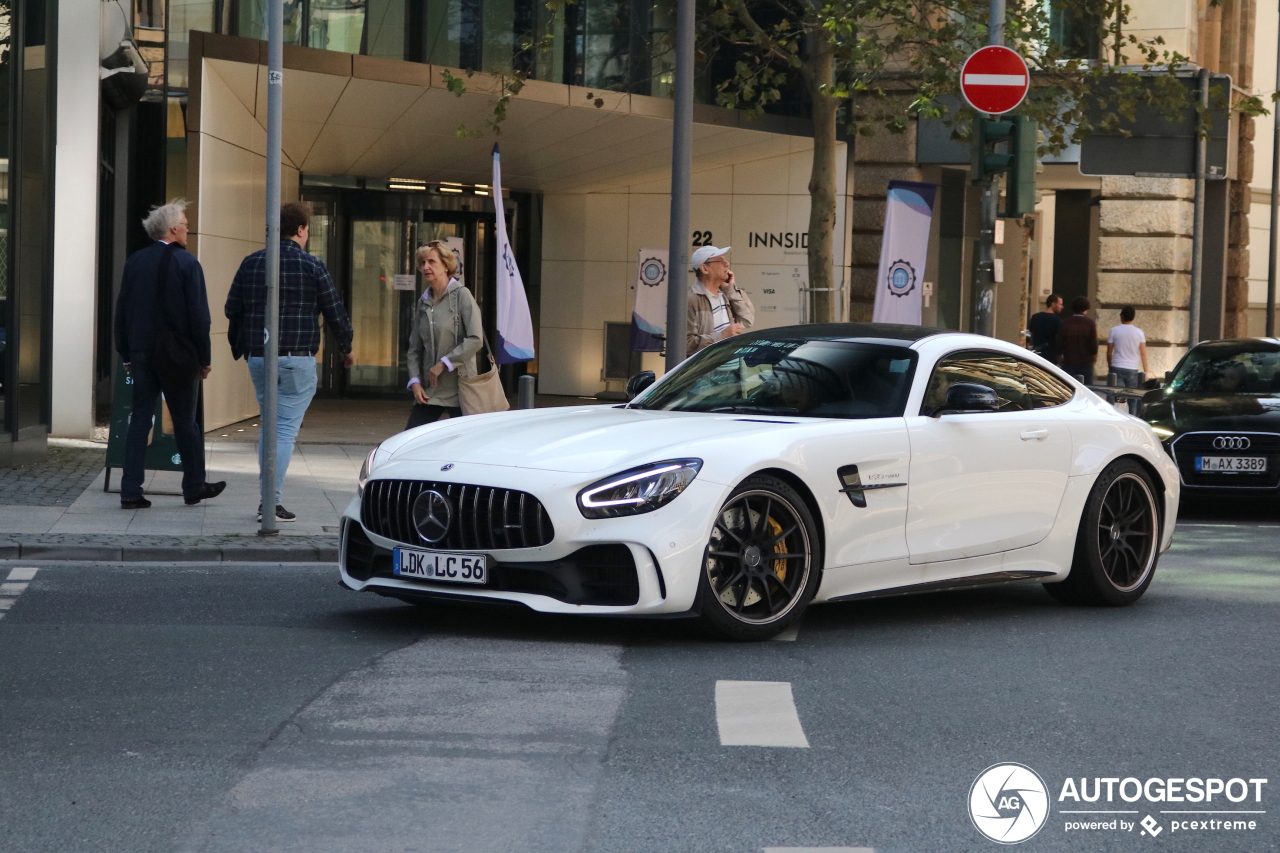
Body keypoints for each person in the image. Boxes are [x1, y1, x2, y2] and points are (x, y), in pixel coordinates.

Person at [225, 203, 354, 523]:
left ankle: (268, 499)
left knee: (270, 427)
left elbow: (232, 309)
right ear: (299, 230)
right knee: (283, 432)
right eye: (307, 230)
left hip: (259, 357)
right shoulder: (312, 265)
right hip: (297, 359)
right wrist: (346, 347)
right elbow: (334, 311)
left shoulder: (252, 263)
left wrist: (241, 346)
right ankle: (270, 502)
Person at [113, 200, 226, 510]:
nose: (188, 228)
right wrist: (204, 358)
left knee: (139, 419)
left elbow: (122, 310)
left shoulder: (135, 262)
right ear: (174, 229)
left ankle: (130, 490)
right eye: (186, 224)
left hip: (141, 353)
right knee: (185, 421)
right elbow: (199, 317)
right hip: (177, 355)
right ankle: (193, 486)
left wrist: (125, 352)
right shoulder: (187, 263)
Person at [405, 241, 482, 429]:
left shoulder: (462, 296)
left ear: (446, 266)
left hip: (461, 388)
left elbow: (476, 339)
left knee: (467, 445)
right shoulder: (423, 302)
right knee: (410, 440)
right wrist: (415, 382)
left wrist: (444, 363)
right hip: (431, 391)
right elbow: (414, 349)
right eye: (423, 263)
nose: (426, 267)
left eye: (432, 262)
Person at [687, 245, 754, 356]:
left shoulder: (725, 294)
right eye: (720, 261)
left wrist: (730, 290)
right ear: (704, 268)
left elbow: (747, 321)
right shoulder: (691, 300)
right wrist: (721, 336)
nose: (727, 264)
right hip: (705, 370)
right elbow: (686, 344)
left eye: (725, 260)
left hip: (730, 366)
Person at [1106, 305, 1149, 414]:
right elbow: (1143, 353)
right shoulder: (1139, 333)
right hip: (1132, 368)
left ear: (1122, 316)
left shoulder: (1114, 331)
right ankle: (1133, 418)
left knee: (1117, 398)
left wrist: (1110, 365)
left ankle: (1116, 419)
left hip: (1117, 366)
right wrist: (1146, 371)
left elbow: (1109, 352)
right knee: (1133, 399)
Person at [1058, 296, 1099, 385]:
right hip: (1086, 363)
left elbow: (1060, 343)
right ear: (1086, 308)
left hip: (1069, 362)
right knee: (1087, 390)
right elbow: (1093, 344)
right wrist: (1094, 358)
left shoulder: (1065, 323)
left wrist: (1061, 358)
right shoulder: (1090, 323)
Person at [1027, 293, 1064, 365]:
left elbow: (1030, 334)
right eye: (1060, 304)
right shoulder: (1057, 320)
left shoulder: (1035, 317)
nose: (1062, 307)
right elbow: (1059, 339)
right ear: (1053, 304)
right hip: (1051, 356)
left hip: (1036, 354)